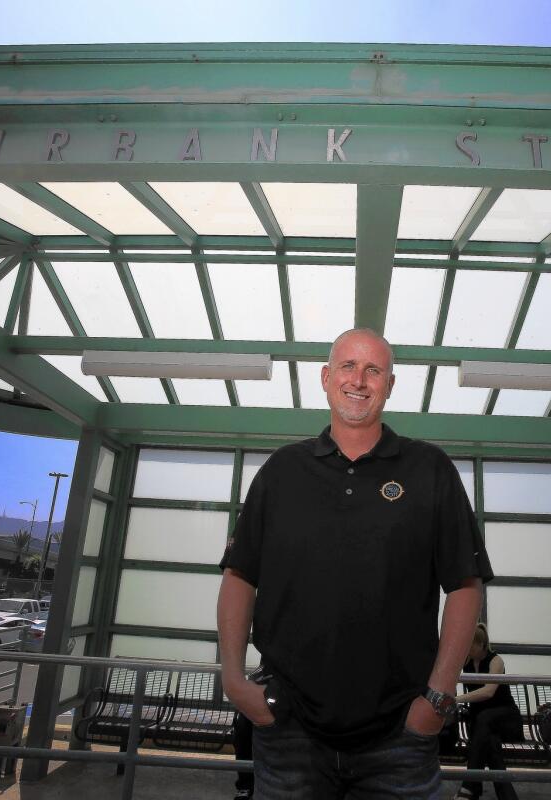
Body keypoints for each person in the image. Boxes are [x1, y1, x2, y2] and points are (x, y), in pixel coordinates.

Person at [217, 327, 493, 800]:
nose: (359, 379)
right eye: (347, 366)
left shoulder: (430, 470)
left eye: (373, 370)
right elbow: (240, 574)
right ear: (326, 378)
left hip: (401, 735)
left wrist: (438, 697)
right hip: (287, 728)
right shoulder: (281, 472)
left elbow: (466, 585)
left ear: (389, 385)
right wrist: (233, 677)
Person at [454, 624, 523, 800]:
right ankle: (505, 796)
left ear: (482, 644)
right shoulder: (467, 662)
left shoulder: (496, 661)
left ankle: (470, 786)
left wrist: (458, 699)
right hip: (483, 726)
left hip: (507, 720)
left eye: (471, 645)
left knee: (484, 719)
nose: (468, 649)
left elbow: (488, 691)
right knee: (490, 741)